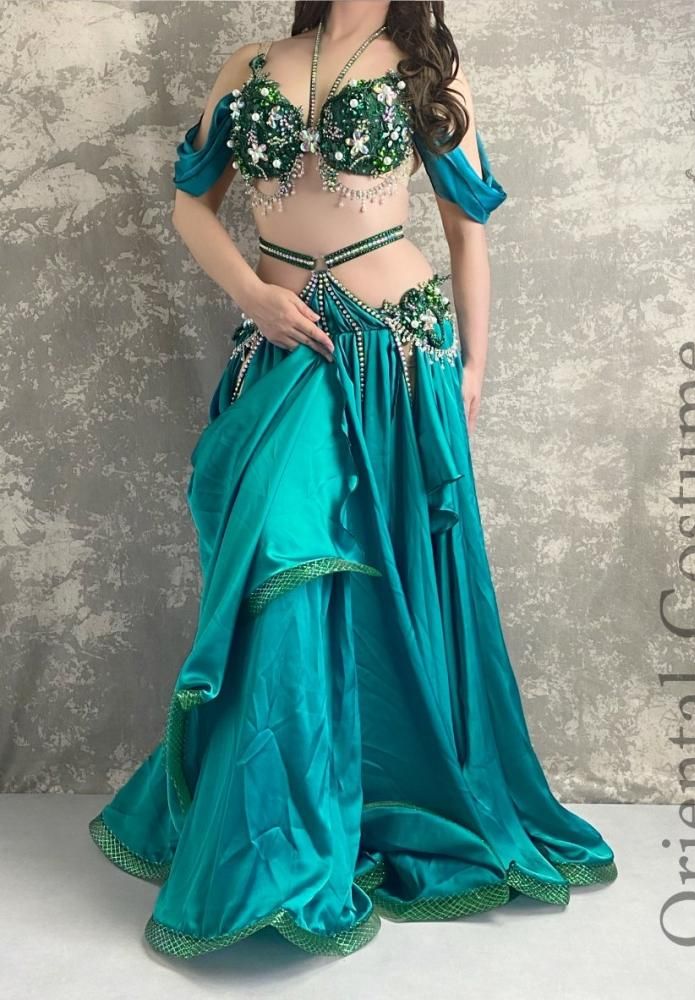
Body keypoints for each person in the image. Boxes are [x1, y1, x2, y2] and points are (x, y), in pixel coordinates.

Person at [88, 0, 618, 960]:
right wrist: (251, 292)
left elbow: (466, 232)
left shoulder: (424, 71)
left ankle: (343, 815)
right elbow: (188, 205)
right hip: (283, 348)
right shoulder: (251, 62)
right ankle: (276, 839)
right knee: (283, 567)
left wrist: (473, 368)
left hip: (394, 356)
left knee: (374, 588)